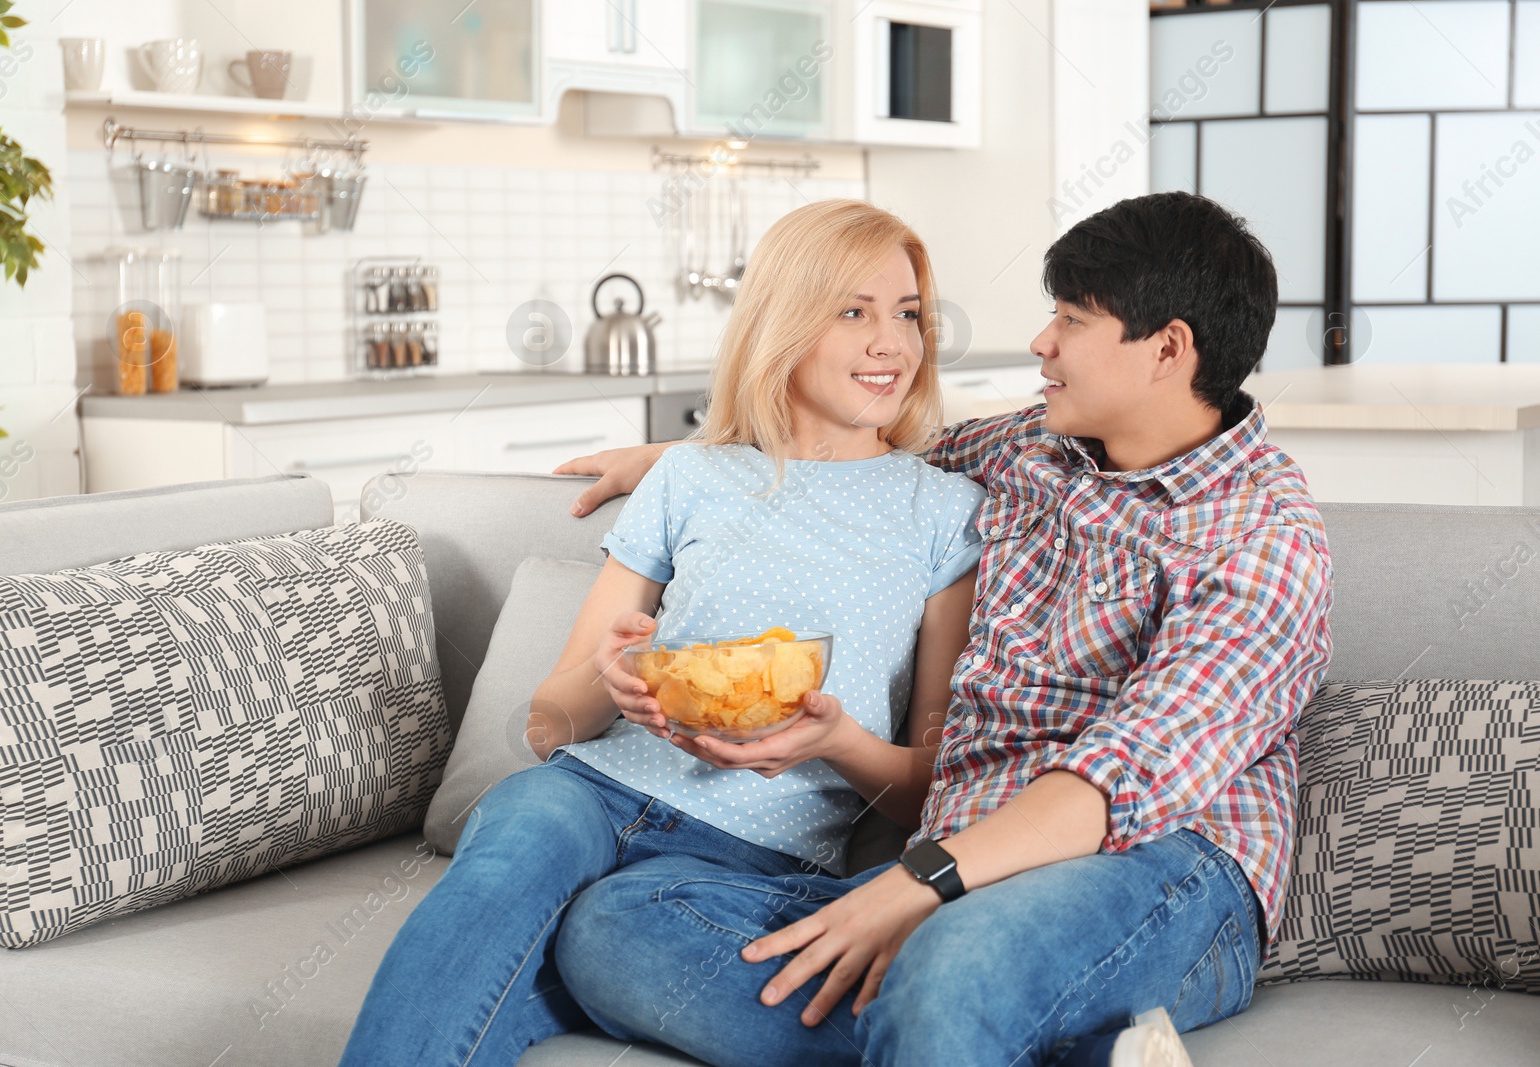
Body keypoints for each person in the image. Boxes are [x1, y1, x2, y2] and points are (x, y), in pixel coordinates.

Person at [548, 191, 1334, 1067]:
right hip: (959, 865)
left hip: (1160, 869)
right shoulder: (1033, 449)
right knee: (612, 925)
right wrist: (674, 462)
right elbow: (859, 455)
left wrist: (917, 882)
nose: (1042, 344)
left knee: (952, 967)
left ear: (1168, 349)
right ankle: (1053, 1048)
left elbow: (1113, 782)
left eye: (1071, 321)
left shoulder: (1263, 536)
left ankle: (957, 1013)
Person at [336, 200, 987, 1067]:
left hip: (750, 861)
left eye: (907, 314)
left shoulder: (944, 512)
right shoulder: (690, 475)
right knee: (520, 829)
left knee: (600, 936)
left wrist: (835, 739)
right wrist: (612, 679)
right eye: (853, 311)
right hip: (585, 792)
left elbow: (925, 791)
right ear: (782, 324)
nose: (893, 342)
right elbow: (546, 726)